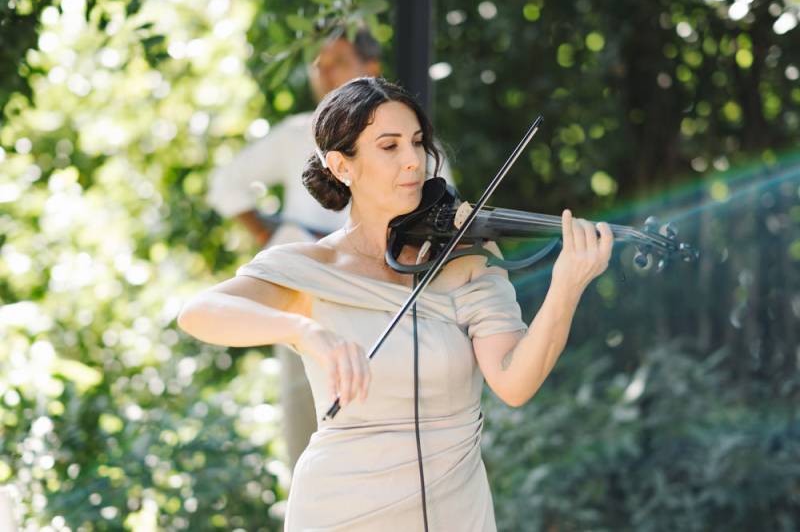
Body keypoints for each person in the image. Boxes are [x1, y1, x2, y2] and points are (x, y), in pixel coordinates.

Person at [179, 77, 613, 531]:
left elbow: (514, 382)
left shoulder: (464, 255)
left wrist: (566, 287)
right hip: (339, 511)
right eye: (389, 146)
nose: (413, 160)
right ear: (341, 166)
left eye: (418, 142)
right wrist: (304, 330)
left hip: (454, 513)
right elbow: (198, 313)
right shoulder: (311, 267)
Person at [205, 27, 382, 472]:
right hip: (303, 287)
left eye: (338, 61)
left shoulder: (404, 138)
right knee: (304, 406)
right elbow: (226, 184)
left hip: (376, 286)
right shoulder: (296, 134)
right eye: (319, 63)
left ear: (370, 68)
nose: (325, 72)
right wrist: (272, 237)